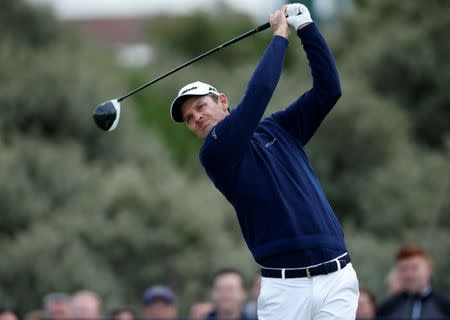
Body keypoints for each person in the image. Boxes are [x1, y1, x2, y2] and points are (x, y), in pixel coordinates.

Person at [170, 3, 358, 320]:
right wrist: (279, 37)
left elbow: (329, 90)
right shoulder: (215, 153)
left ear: (222, 102)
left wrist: (308, 29)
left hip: (337, 276)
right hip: (285, 291)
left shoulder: (279, 127)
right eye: (189, 118)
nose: (197, 118)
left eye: (201, 107)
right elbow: (259, 93)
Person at [376, 244, 450, 319]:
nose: (409, 275)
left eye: (414, 268)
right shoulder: (387, 308)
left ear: (429, 269)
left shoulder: (445, 305)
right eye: (403, 269)